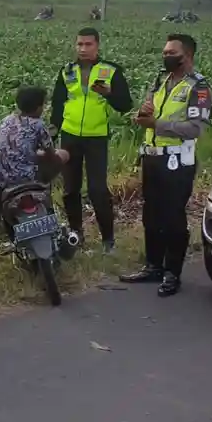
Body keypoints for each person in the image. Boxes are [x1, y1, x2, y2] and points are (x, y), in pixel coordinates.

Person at [120, 34, 212, 296]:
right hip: (153, 156)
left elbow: (195, 129)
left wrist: (156, 125)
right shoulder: (160, 80)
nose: (166, 57)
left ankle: (172, 272)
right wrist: (144, 114)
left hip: (177, 161)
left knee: (173, 218)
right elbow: (151, 113)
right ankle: (153, 266)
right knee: (151, 214)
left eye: (172, 53)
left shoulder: (199, 87)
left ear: (188, 56)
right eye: (164, 52)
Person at [0, 85, 69, 267]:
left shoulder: (8, 120)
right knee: (61, 158)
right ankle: (51, 234)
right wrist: (51, 160)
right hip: (24, 180)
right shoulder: (38, 125)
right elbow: (50, 154)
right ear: (38, 107)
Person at [49, 27, 133, 253]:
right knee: (70, 189)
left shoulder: (111, 71)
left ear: (97, 46)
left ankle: (108, 241)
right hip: (69, 136)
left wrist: (109, 94)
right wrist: (52, 132)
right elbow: (58, 104)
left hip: (96, 137)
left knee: (97, 190)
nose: (83, 49)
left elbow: (125, 105)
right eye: (79, 44)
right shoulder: (66, 71)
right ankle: (77, 235)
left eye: (88, 45)